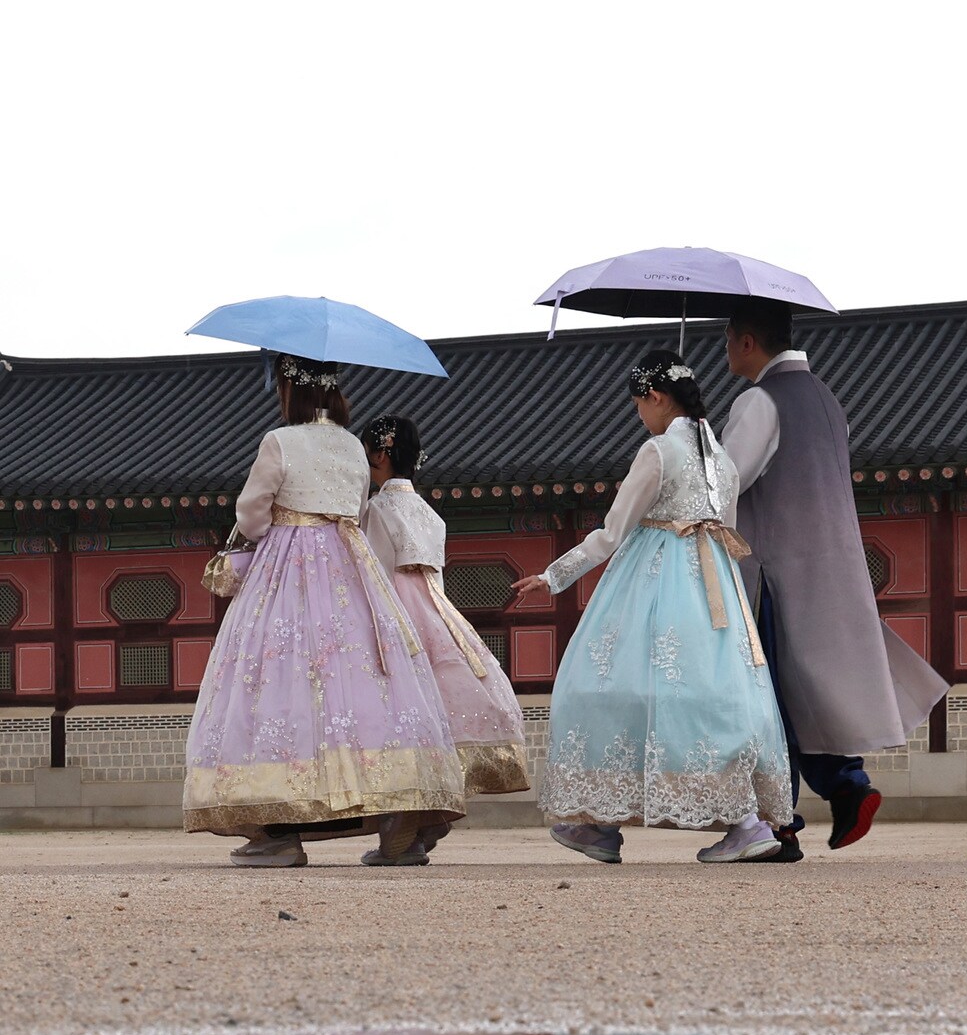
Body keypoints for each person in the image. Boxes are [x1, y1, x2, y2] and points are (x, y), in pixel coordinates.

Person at [508, 350, 792, 864]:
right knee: (711, 691)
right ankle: (739, 821)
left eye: (639, 403)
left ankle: (600, 821)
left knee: (603, 684)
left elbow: (612, 533)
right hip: (716, 584)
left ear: (656, 397)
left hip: (655, 577)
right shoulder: (721, 459)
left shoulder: (659, 451)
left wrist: (552, 576)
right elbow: (726, 527)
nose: (639, 413)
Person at [184, 354, 465, 867]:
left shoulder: (280, 441)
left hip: (286, 566)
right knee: (361, 679)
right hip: (349, 566)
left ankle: (278, 830)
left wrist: (275, 528)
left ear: (290, 389)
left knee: (276, 678)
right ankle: (394, 813)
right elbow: (357, 510)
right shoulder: (353, 448)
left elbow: (250, 515)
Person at [722, 299, 948, 861]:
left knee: (766, 697)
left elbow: (723, 486)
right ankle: (849, 787)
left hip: (772, 571)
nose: (725, 352)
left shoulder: (758, 401)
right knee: (813, 689)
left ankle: (778, 824)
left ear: (748, 342)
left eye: (729, 341)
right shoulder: (826, 397)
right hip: (833, 565)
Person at [361, 414, 529, 864]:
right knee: (435, 714)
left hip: (396, 609)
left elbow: (374, 570)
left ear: (379, 454)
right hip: (437, 610)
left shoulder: (377, 510)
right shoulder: (430, 514)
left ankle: (399, 833)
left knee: (395, 713)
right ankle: (425, 823)